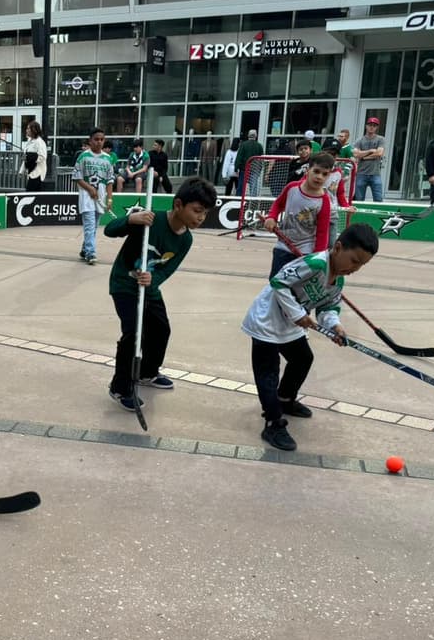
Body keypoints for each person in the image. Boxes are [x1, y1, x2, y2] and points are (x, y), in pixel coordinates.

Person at [243, 223, 379, 452]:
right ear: (338, 248)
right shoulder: (314, 264)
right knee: (268, 373)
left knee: (302, 359)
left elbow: (327, 308)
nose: (355, 268)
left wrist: (334, 325)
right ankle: (273, 423)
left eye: (361, 265)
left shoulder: (338, 281)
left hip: (290, 325)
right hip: (266, 321)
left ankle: (285, 400)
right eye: (354, 260)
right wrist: (297, 313)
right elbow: (278, 282)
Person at [103, 178, 216, 411]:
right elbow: (109, 230)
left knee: (161, 330)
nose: (201, 218)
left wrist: (154, 279)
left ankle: (147, 373)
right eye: (197, 211)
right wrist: (131, 219)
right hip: (125, 285)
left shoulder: (186, 239)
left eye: (205, 213)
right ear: (178, 205)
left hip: (150, 289)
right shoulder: (149, 220)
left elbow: (167, 269)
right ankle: (120, 387)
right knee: (133, 333)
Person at [260, 151, 336, 277]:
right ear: (308, 170)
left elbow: (322, 232)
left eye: (325, 174)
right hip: (283, 246)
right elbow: (278, 204)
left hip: (305, 251)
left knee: (297, 284)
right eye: (316, 171)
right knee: (276, 281)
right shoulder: (292, 188)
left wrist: (317, 257)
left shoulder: (324, 201)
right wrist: (271, 217)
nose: (319, 177)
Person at [72, 128, 115, 265]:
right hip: (86, 197)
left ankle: (85, 249)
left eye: (102, 139)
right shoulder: (83, 156)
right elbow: (77, 177)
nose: (99, 142)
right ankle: (91, 253)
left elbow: (110, 181)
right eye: (96, 139)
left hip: (100, 197)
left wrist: (109, 199)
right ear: (90, 141)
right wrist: (89, 188)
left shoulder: (108, 159)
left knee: (94, 226)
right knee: (90, 225)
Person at [351, 118, 386, 201]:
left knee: (378, 199)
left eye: (374, 126)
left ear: (377, 127)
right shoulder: (359, 140)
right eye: (370, 125)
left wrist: (364, 157)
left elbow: (379, 153)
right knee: (359, 199)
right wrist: (370, 151)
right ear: (366, 126)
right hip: (361, 174)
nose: (372, 127)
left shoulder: (380, 139)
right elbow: (355, 154)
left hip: (375, 174)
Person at [20, 121, 48, 192]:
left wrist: (30, 157)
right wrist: (21, 171)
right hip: (30, 172)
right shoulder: (29, 141)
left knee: (30, 193)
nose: (26, 130)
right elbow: (26, 156)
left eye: (28, 128)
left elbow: (43, 157)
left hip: (37, 173)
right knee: (32, 194)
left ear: (34, 130)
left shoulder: (40, 142)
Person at [235, 129, 264, 196]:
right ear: (256, 136)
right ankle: (252, 201)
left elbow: (239, 157)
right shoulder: (259, 146)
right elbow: (261, 159)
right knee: (253, 187)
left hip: (244, 168)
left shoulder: (243, 145)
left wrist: (236, 168)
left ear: (248, 135)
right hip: (255, 169)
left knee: (241, 186)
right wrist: (260, 169)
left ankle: (238, 200)